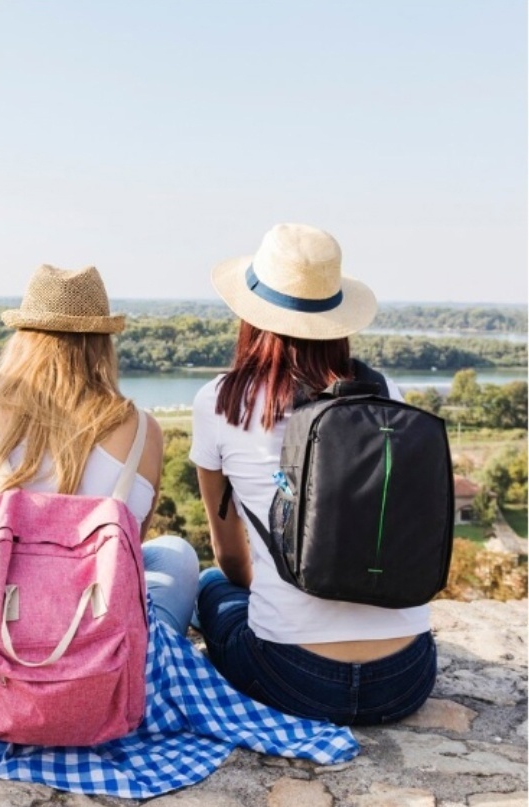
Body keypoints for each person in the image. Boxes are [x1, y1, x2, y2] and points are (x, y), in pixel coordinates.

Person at [0, 264, 359, 799]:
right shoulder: (141, 429)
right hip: (110, 657)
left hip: (4, 649)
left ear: (21, 339)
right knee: (174, 554)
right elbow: (125, 555)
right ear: (104, 344)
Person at [190, 222, 437, 726]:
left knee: (214, 585)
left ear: (251, 316)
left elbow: (232, 555)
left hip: (292, 676)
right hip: (406, 677)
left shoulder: (221, 401)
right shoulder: (387, 391)